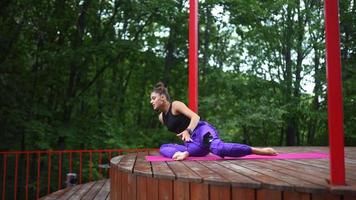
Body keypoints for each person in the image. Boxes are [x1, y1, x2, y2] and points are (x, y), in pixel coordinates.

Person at [150, 82, 277, 161]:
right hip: (192, 144)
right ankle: (182, 153)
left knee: (219, 149)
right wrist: (186, 142)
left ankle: (256, 150)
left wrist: (188, 130)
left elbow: (196, 117)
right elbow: (179, 131)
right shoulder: (162, 117)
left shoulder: (176, 105)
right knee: (164, 147)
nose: (152, 101)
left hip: (202, 131)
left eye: (153, 98)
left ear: (162, 97)